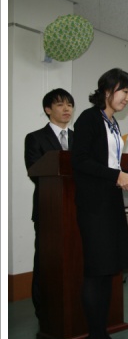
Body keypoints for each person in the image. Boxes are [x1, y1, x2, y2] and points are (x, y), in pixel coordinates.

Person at [71, 68, 128, 339]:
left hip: (110, 203)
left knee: (108, 271)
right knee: (96, 272)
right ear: (108, 89)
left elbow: (109, 161)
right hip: (94, 206)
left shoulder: (111, 122)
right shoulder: (89, 118)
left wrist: (122, 176)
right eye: (125, 91)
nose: (127, 98)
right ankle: (96, 338)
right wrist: (116, 175)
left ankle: (101, 336)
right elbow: (80, 161)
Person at [24, 88, 75, 321]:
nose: (66, 109)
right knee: (46, 261)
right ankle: (43, 309)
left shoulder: (79, 139)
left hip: (76, 209)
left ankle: (72, 305)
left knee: (74, 260)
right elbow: (35, 172)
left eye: (69, 105)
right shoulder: (35, 138)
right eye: (60, 105)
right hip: (48, 210)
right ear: (48, 109)